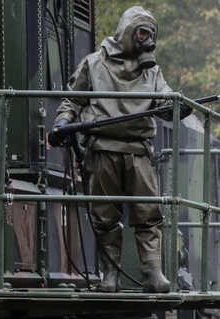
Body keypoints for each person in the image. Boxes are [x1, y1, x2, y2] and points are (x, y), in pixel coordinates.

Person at [51, 6, 177, 293]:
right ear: (126, 31)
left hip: (138, 151)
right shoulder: (94, 64)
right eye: (142, 32)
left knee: (148, 213)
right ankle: (110, 274)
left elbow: (164, 99)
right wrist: (62, 122)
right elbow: (73, 100)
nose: (147, 40)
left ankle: (153, 273)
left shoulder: (151, 72)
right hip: (102, 149)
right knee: (104, 215)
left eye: (151, 34)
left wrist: (174, 106)